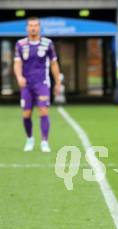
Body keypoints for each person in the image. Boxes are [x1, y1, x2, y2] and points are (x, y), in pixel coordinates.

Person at [14, 17, 61, 153]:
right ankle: (29, 139)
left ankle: (44, 141)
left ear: (39, 27)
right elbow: (17, 63)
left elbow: (53, 64)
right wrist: (19, 77)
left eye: (35, 25)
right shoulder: (20, 44)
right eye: (30, 26)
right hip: (27, 85)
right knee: (26, 114)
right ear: (27, 28)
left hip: (42, 83)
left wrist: (58, 82)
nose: (33, 28)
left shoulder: (48, 43)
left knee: (43, 111)